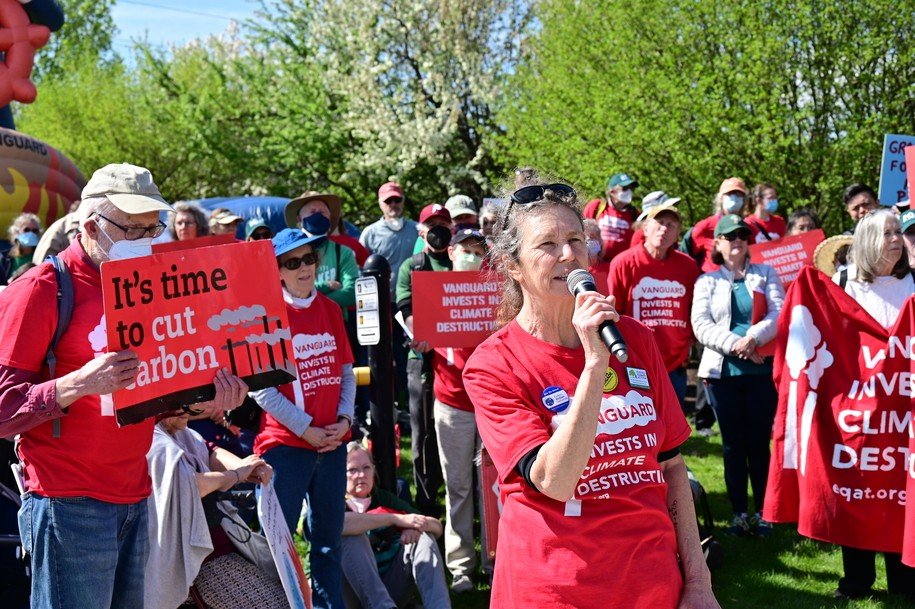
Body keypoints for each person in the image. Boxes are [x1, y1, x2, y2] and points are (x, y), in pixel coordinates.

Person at [462, 179, 718, 608]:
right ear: (513, 265)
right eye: (547, 244)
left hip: (651, 584)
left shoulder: (633, 338)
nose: (568, 255)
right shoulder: (493, 364)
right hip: (555, 589)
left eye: (575, 239)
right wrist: (595, 364)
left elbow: (672, 468)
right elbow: (554, 481)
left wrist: (698, 580)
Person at [0, 163, 176, 609]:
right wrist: (75, 384)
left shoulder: (149, 285)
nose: (147, 239)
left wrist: (205, 399)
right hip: (67, 503)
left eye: (153, 227)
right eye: (133, 228)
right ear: (93, 226)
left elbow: (150, 388)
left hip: (136, 495)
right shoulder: (42, 288)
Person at [251, 228, 355, 609]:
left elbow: (346, 370)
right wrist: (305, 429)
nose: (304, 268)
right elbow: (261, 389)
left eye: (309, 258)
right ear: (277, 270)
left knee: (329, 543)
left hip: (333, 443)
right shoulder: (266, 316)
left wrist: (345, 419)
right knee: (277, 546)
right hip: (286, 447)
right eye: (292, 262)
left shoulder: (329, 308)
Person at [829, 209, 915, 599]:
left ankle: (904, 581)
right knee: (858, 492)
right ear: (866, 240)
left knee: (901, 493)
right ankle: (857, 581)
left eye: (899, 232)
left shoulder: (913, 282)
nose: (897, 239)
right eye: (888, 233)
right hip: (858, 412)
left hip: (903, 412)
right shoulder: (844, 282)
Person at [691, 215, 784, 536]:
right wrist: (738, 345)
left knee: (759, 445)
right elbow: (701, 325)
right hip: (722, 375)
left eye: (742, 235)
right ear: (717, 243)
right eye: (730, 236)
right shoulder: (707, 281)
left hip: (759, 371)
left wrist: (753, 339)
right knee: (732, 446)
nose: (737, 241)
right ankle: (738, 514)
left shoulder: (767, 273)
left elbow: (778, 312)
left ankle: (763, 512)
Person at [145, 405, 285, 609]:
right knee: (274, 604)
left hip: (218, 544)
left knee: (281, 596)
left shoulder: (184, 433)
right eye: (181, 403)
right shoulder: (151, 439)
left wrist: (251, 468)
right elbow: (190, 485)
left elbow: (210, 451)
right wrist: (235, 475)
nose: (190, 408)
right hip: (197, 560)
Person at [431, 229, 487, 593]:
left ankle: (496, 556)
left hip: (491, 403)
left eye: (477, 251)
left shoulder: (495, 293)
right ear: (450, 252)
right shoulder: (432, 293)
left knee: (494, 486)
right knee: (458, 487)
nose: (471, 256)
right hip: (452, 403)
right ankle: (461, 564)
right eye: (465, 250)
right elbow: (424, 339)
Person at [608, 196, 699, 412]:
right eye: (659, 223)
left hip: (676, 361)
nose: (664, 229)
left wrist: (689, 345)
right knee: (642, 420)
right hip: (636, 359)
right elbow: (614, 312)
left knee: (674, 424)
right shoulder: (624, 263)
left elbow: (693, 310)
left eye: (671, 225)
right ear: (646, 228)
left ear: (678, 233)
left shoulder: (688, 266)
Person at [395, 204, 454, 517]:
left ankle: (462, 496)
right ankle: (427, 501)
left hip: (459, 362)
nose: (438, 228)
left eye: (444, 222)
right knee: (422, 431)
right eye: (432, 224)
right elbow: (406, 308)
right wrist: (425, 335)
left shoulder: (463, 263)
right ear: (421, 230)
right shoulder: (412, 266)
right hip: (422, 358)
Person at [341, 442, 451, 609]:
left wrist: (415, 526)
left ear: (374, 470)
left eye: (366, 468)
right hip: (347, 596)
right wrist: (393, 518)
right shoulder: (333, 501)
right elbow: (339, 525)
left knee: (423, 538)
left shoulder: (384, 498)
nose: (361, 475)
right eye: (352, 470)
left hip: (390, 590)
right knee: (351, 537)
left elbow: (436, 526)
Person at [359, 181, 419, 412]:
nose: (393, 205)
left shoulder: (417, 229)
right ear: (380, 204)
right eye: (388, 201)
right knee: (382, 357)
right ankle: (386, 406)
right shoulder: (370, 233)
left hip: (411, 305)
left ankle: (409, 406)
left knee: (409, 355)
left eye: (397, 200)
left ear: (403, 201)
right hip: (380, 306)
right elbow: (360, 271)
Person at [286, 191, 358, 314]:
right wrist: (327, 286)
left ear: (330, 218)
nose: (318, 216)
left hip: (336, 324)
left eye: (322, 212)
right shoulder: (289, 255)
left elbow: (352, 293)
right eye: (312, 212)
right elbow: (290, 292)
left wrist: (307, 302)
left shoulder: (343, 252)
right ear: (299, 219)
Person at [688, 177, 756, 273]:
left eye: (738, 195)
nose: (735, 198)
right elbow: (688, 255)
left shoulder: (749, 228)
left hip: (741, 279)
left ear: (744, 200)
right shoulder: (705, 226)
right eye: (730, 194)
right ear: (721, 198)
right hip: (712, 281)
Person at [582, 172, 639, 262]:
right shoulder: (597, 206)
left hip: (620, 266)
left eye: (631, 188)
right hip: (595, 264)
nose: (629, 192)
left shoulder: (634, 213)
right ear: (612, 191)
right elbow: (581, 231)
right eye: (624, 188)